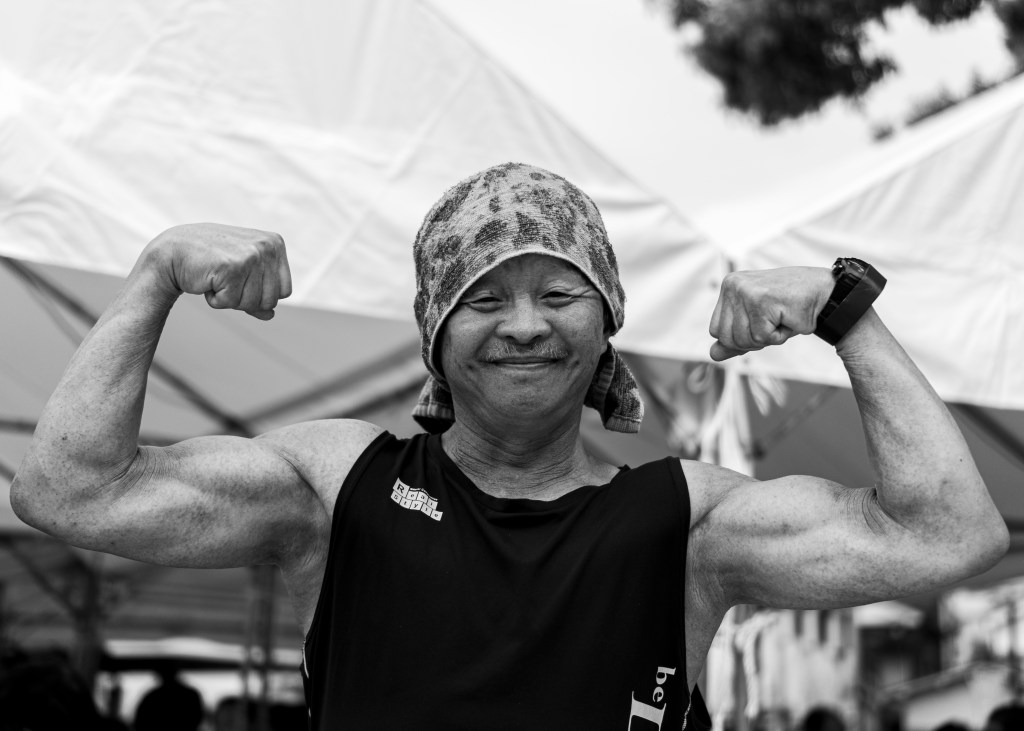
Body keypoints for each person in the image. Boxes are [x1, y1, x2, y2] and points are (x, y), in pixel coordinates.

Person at [10, 162, 1009, 730]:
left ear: (606, 320)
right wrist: (155, 274)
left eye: (559, 292)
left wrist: (845, 314)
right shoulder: (336, 488)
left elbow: (949, 533)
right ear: (435, 331)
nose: (524, 323)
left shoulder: (687, 520)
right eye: (483, 296)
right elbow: (69, 490)